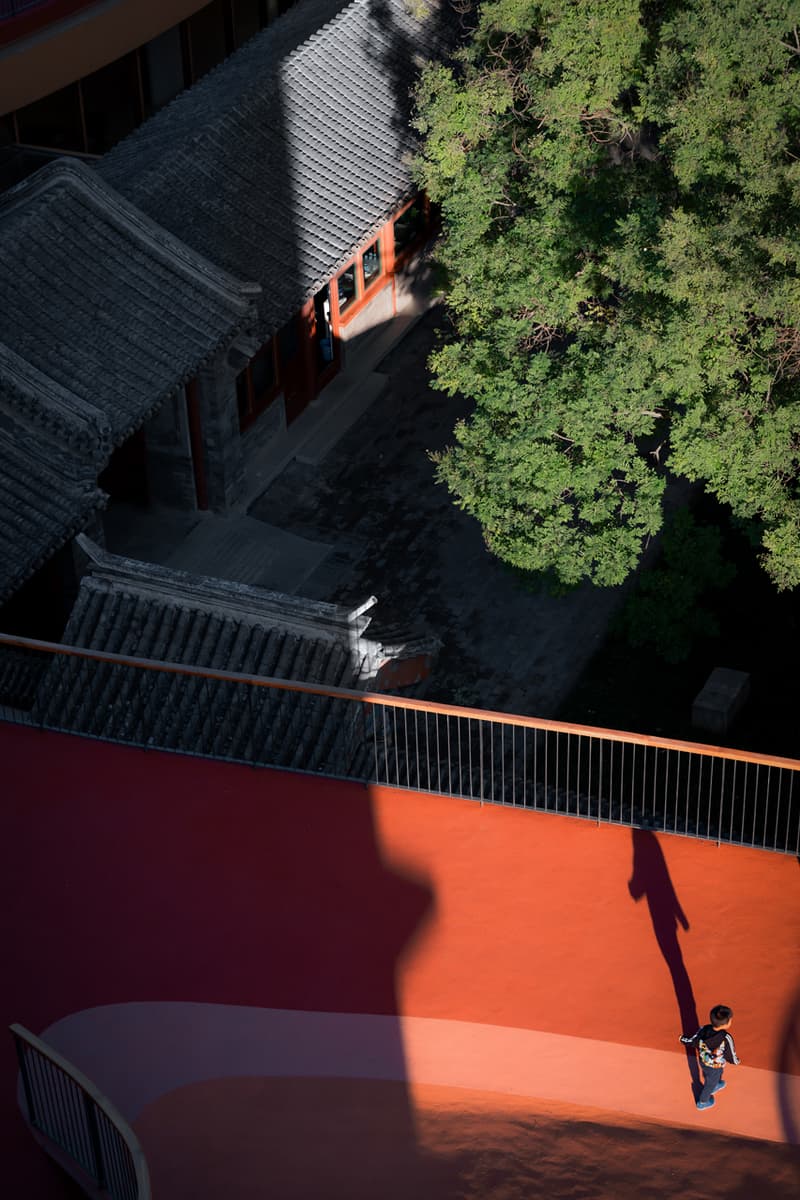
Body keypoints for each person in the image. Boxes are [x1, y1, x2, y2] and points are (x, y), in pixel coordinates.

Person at [680, 1004, 740, 1109]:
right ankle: (703, 1102)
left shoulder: (703, 1029)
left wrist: (683, 1040)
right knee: (710, 1083)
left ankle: (716, 1083)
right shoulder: (726, 1037)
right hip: (715, 1065)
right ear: (726, 1024)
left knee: (714, 1073)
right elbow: (730, 1053)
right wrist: (735, 1061)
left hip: (703, 1061)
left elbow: (694, 1040)